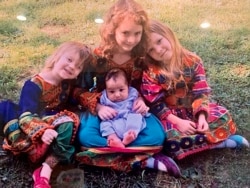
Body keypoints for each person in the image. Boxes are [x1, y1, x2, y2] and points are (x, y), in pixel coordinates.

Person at [74, 0, 181, 177]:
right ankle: (144, 158)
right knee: (86, 137)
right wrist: (99, 107)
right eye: (125, 33)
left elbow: (147, 87)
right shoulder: (98, 57)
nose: (131, 39)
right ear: (112, 30)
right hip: (104, 110)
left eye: (137, 33)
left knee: (157, 136)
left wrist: (140, 100)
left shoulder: (141, 57)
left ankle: (106, 155)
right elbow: (78, 90)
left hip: (132, 112)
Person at [141, 19, 249, 160]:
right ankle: (219, 142)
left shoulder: (193, 61)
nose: (158, 50)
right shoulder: (151, 71)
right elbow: (155, 103)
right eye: (151, 50)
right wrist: (178, 122)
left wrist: (202, 117)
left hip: (192, 111)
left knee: (223, 116)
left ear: (168, 34)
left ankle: (200, 142)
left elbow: (200, 93)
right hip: (169, 117)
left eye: (159, 41)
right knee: (167, 139)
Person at [0, 41, 92, 188]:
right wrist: (43, 130)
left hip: (53, 125)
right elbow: (26, 115)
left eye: (78, 66)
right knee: (5, 109)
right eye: (69, 60)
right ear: (57, 56)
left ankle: (46, 168)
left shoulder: (67, 84)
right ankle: (35, 151)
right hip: (32, 126)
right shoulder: (34, 85)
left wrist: (98, 104)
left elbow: (79, 96)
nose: (72, 67)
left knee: (69, 122)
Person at [100, 68, 149, 148]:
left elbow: (140, 102)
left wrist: (140, 102)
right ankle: (113, 138)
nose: (117, 95)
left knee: (136, 117)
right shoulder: (104, 97)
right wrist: (100, 108)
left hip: (129, 117)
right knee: (105, 124)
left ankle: (130, 135)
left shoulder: (132, 93)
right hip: (113, 119)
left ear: (128, 87)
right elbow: (96, 104)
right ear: (106, 90)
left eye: (121, 90)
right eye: (112, 91)